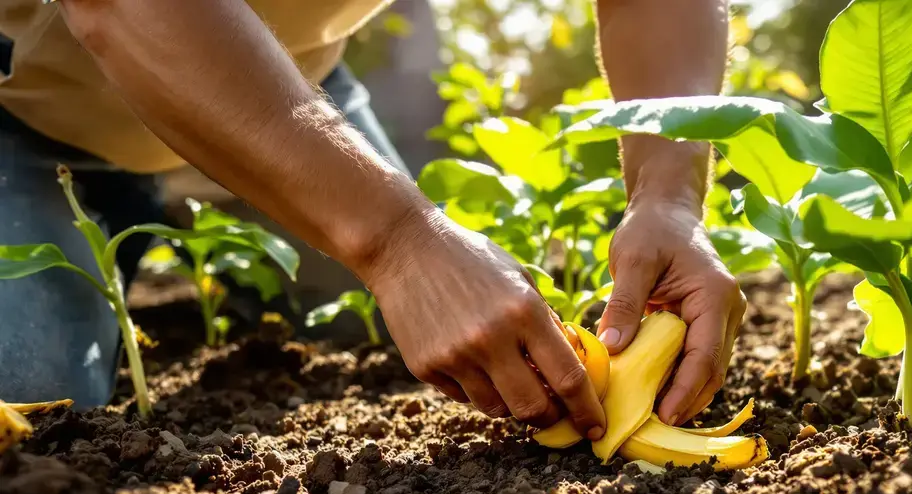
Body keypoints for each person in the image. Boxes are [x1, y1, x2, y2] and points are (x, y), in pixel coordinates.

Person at [0, 0, 746, 441]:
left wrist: (668, 194)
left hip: (285, 91)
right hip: (27, 107)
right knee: (30, 397)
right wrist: (397, 242)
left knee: (381, 335)